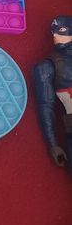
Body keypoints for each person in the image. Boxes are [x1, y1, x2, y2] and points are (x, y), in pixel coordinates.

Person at [33, 15, 72, 171]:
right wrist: (53, 144)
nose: (55, 35)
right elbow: (45, 106)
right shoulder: (46, 67)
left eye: (61, 30)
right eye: (53, 31)